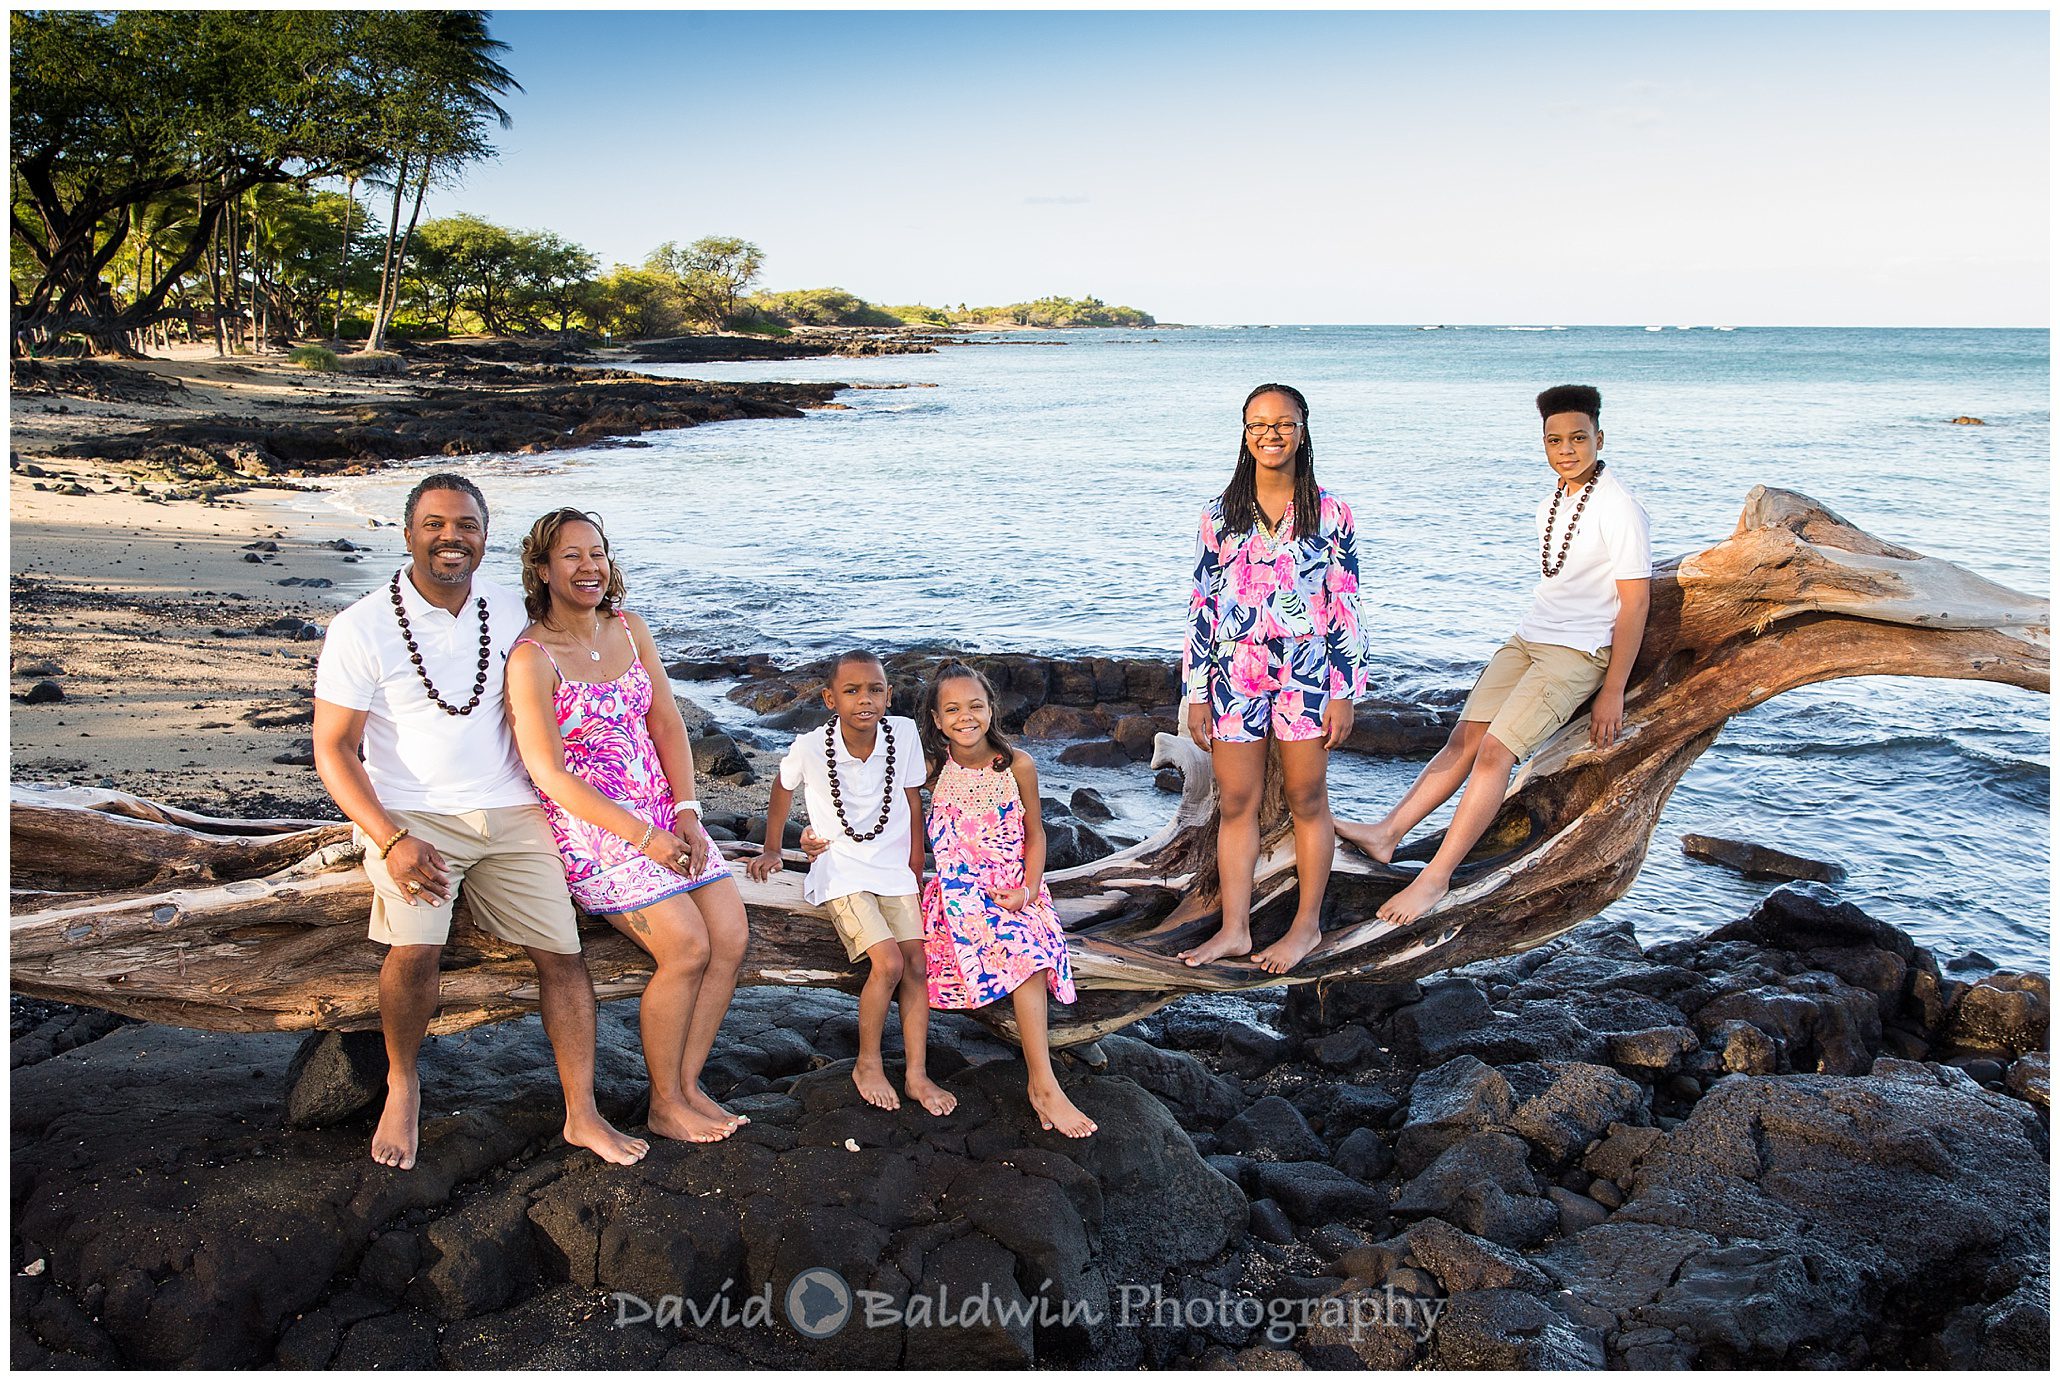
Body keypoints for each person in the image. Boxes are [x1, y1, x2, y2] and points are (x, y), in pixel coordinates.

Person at [311, 474, 648, 1171]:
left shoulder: (510, 610)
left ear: (485, 536)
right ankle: (403, 1082)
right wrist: (390, 837)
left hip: (513, 807)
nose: (450, 537)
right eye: (434, 524)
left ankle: (581, 1113)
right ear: (407, 533)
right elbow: (333, 750)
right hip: (413, 813)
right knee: (417, 948)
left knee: (563, 953)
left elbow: (587, 642)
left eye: (465, 524)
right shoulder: (361, 625)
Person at [1339, 384, 1651, 923]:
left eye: (1579, 438)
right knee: (1464, 738)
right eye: (1555, 440)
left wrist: (1614, 689)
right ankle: (1387, 834)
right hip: (1528, 638)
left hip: (1576, 655)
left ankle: (1434, 880)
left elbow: (1636, 602)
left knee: (1494, 754)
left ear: (1601, 437)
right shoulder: (1552, 500)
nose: (1567, 449)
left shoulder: (1620, 507)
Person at [505, 508, 749, 1145]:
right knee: (687, 947)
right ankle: (663, 1101)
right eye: (571, 556)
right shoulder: (531, 658)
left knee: (731, 934)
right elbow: (550, 775)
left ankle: (689, 1084)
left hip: (665, 815)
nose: (589, 567)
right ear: (542, 570)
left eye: (598, 554)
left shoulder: (630, 628)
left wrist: (688, 815)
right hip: (596, 833)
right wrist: (645, 838)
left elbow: (667, 724)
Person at [1177, 383, 1370, 974]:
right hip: (1234, 673)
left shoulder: (1331, 512)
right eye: (1258, 425)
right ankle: (1235, 930)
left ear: (1303, 430)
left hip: (1310, 670)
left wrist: (1344, 690)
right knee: (1237, 801)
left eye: (1282, 424)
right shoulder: (1220, 514)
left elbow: (1347, 603)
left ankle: (1305, 927)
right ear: (1244, 433)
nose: (1270, 434)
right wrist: (1195, 691)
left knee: (1309, 798)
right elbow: (1202, 603)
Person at [743, 651, 953, 1114]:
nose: (865, 700)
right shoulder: (812, 745)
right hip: (841, 867)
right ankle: (868, 1063)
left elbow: (913, 800)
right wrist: (774, 848)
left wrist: (916, 862)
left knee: (918, 964)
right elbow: (782, 785)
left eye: (875, 689)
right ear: (830, 698)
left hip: (893, 866)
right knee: (889, 962)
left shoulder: (902, 735)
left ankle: (917, 1073)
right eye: (852, 690)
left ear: (889, 695)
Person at [918, 664, 1094, 1137]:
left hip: (1015, 887)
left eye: (975, 706)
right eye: (952, 709)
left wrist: (1028, 892)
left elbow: (1036, 835)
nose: (965, 717)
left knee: (1030, 945)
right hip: (958, 892)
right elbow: (895, 817)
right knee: (1021, 953)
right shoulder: (933, 769)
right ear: (936, 719)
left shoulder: (1017, 764)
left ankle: (1042, 1084)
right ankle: (1044, 1084)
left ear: (991, 708)